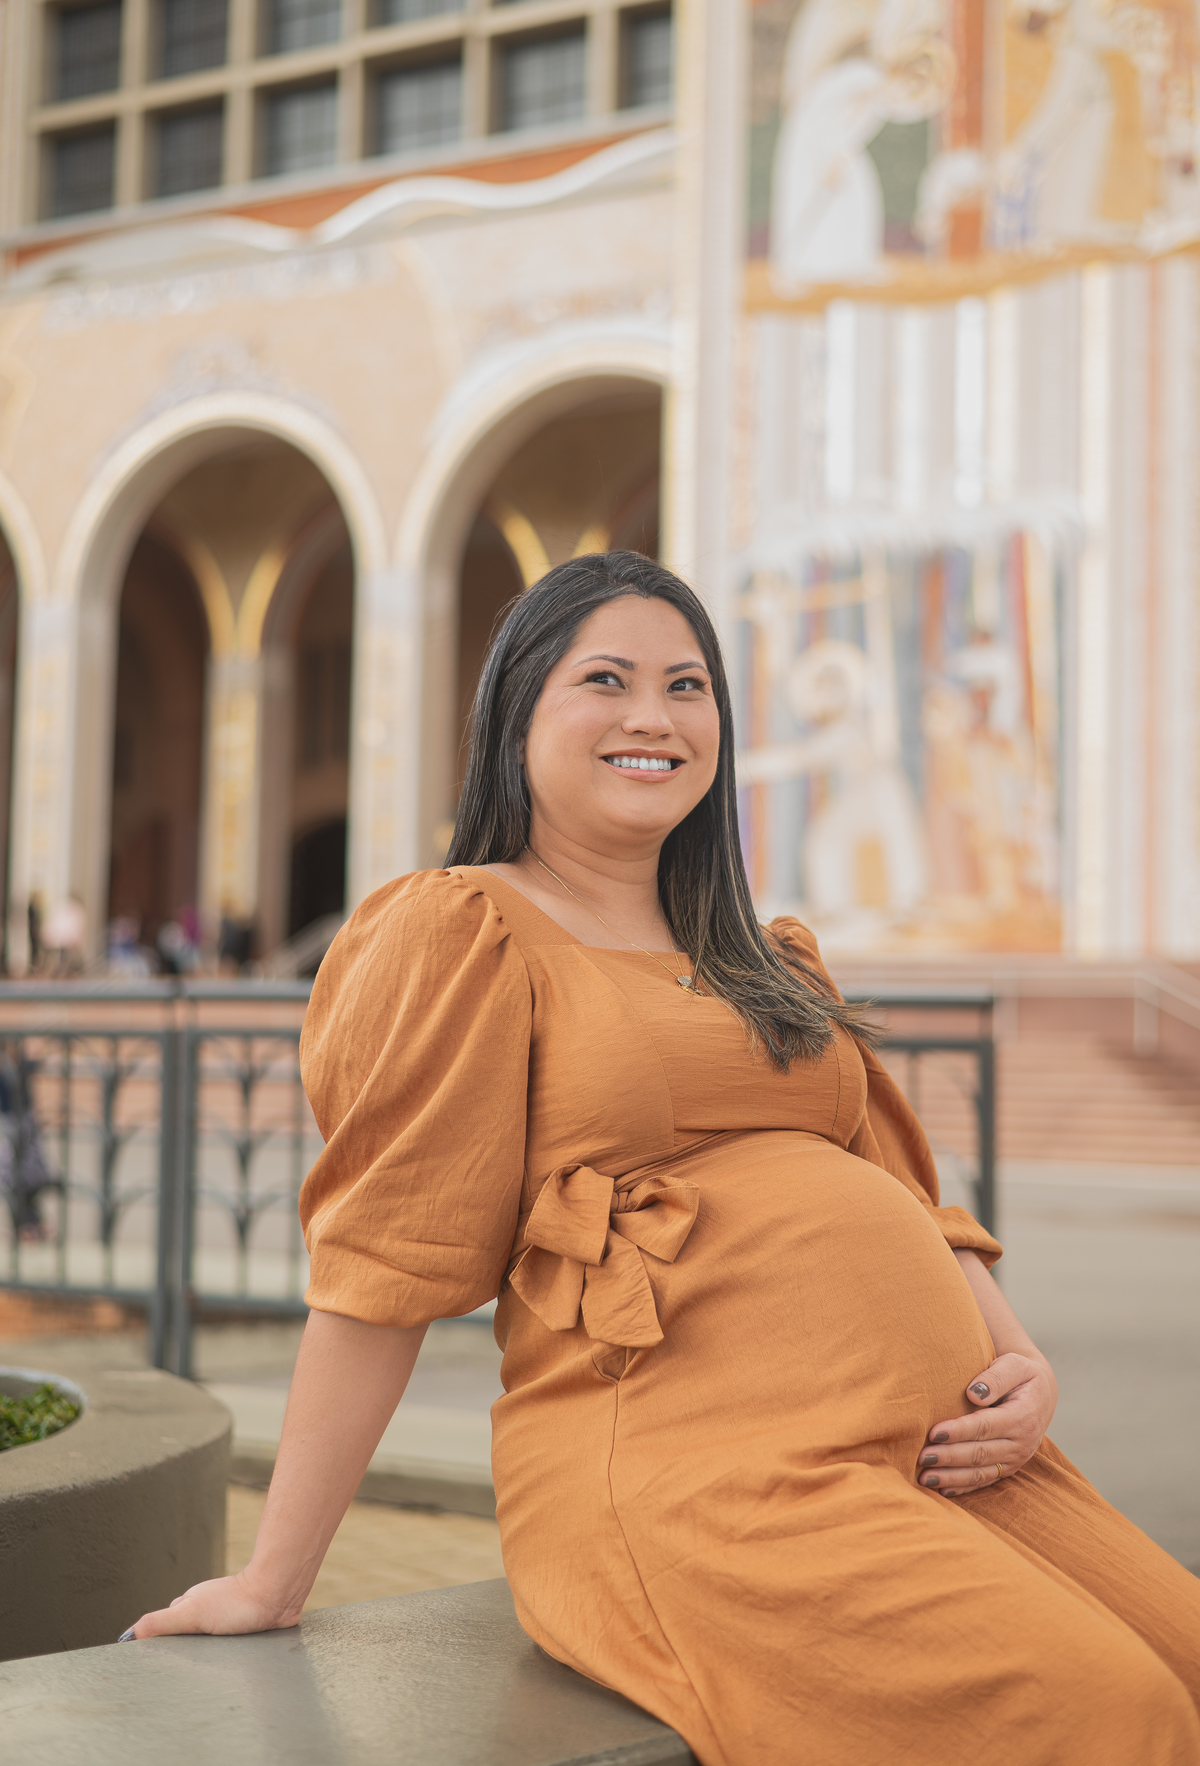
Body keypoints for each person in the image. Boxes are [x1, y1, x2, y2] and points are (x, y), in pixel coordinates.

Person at [120, 554, 1200, 1763]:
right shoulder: (464, 929)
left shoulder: (768, 954)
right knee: (1113, 1713)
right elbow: (388, 1259)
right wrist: (273, 1577)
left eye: (688, 685)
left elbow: (904, 1195)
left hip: (952, 1458)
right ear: (517, 711)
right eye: (608, 680)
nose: (654, 716)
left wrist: (1019, 1362)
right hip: (700, 1474)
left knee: (1187, 1666)